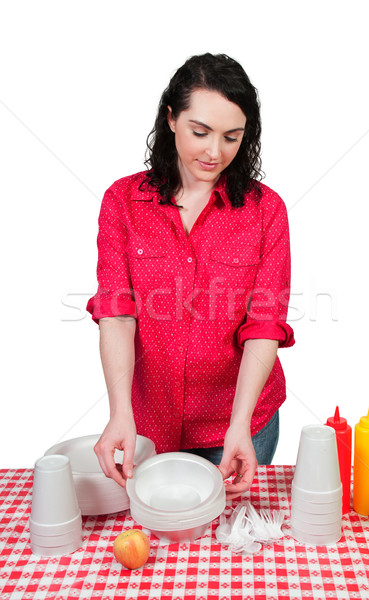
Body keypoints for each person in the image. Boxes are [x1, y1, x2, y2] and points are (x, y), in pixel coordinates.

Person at [86, 53, 295, 500]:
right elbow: (117, 315)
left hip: (240, 425)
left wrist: (239, 426)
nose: (214, 151)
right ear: (171, 119)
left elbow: (263, 327)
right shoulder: (122, 202)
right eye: (200, 132)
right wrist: (120, 412)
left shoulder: (267, 211)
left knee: (228, 553)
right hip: (147, 424)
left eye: (232, 137)